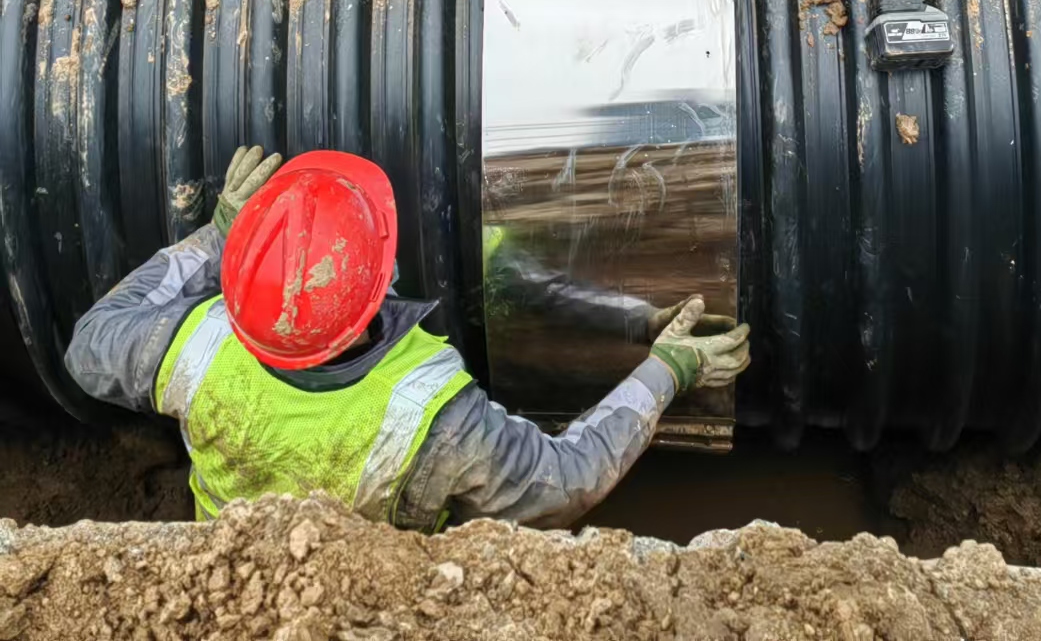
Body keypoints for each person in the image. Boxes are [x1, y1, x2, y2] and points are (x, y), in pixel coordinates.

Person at [64, 146, 750, 530]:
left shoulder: (193, 346)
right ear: (380, 279)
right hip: (375, 598)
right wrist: (668, 371)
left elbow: (90, 340)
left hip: (235, 562)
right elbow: (563, 481)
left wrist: (217, 238)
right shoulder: (430, 416)